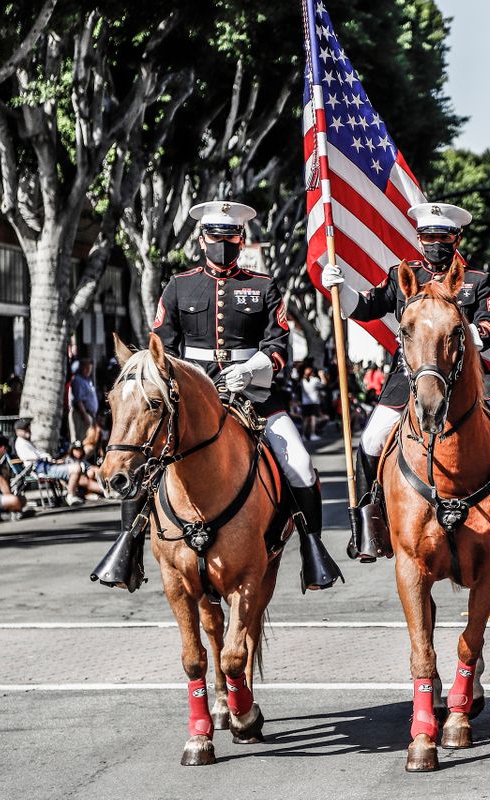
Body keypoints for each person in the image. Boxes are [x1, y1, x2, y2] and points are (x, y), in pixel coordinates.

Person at [93, 200, 342, 593]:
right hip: (191, 397)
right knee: (147, 461)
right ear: (202, 239)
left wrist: (252, 369)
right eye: (215, 237)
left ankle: (314, 550)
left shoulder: (262, 287)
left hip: (253, 395)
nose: (222, 244)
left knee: (300, 464)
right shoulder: (179, 286)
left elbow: (279, 345)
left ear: (241, 239)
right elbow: (163, 345)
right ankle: (128, 547)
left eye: (230, 237)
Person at [321, 202, 490, 551]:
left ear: (456, 237)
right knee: (372, 440)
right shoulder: (401, 276)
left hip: (467, 375)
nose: (435, 243)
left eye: (443, 236)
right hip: (408, 378)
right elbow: (368, 305)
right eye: (428, 236)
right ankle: (370, 525)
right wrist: (341, 289)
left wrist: (472, 334)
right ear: (419, 239)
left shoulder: (476, 279)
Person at [12, 419, 104, 504]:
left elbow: (39, 455)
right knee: (76, 468)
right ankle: (71, 495)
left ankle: (75, 494)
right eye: (25, 428)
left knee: (82, 469)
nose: (28, 429)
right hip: (41, 469)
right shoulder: (21, 443)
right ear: (18, 431)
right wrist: (46, 457)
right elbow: (34, 457)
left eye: (27, 427)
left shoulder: (26, 442)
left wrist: (50, 459)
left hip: (45, 466)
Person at [0, 434, 25, 517]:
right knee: (15, 500)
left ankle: (8, 512)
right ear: (3, 448)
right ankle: (10, 512)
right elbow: (0, 480)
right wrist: (9, 498)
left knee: (21, 499)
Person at [68, 357, 99, 446]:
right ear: (81, 368)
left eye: (89, 368)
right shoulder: (77, 380)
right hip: (81, 414)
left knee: (90, 440)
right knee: (80, 441)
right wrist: (85, 416)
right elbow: (79, 401)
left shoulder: (88, 380)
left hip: (89, 414)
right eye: (86, 368)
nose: (88, 370)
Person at [299, 364, 326, 441]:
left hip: (305, 402)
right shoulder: (315, 380)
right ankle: (312, 434)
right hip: (314, 402)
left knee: (305, 420)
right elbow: (324, 384)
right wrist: (322, 375)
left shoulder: (302, 381)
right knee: (313, 418)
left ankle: (303, 435)